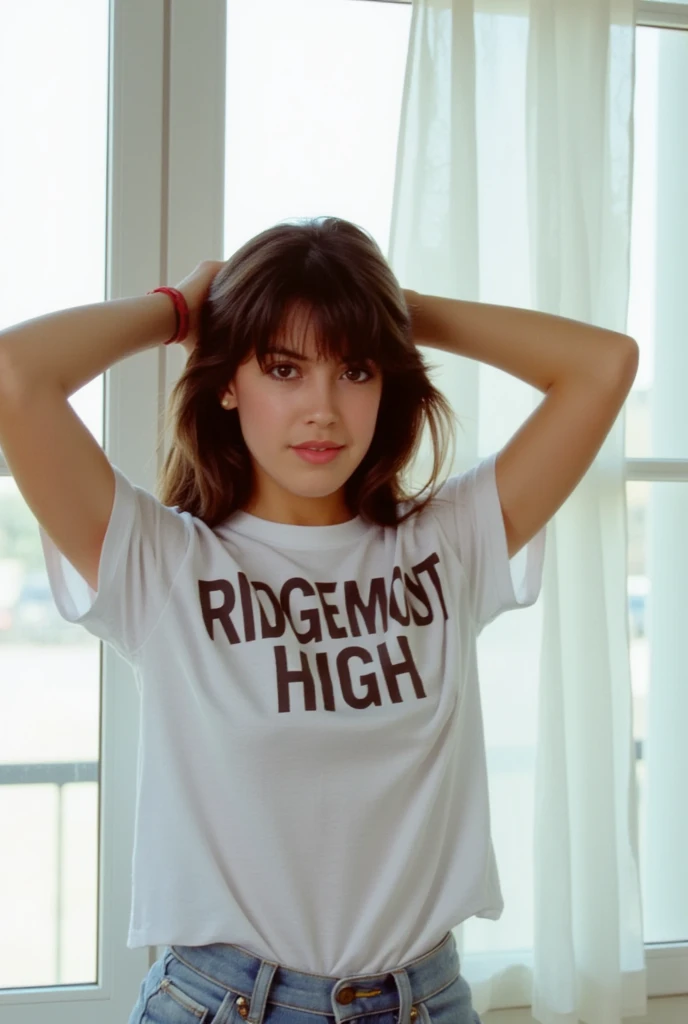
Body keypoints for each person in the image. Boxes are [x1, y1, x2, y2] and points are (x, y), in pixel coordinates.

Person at [0, 217, 638, 1024]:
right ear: (229, 380)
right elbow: (15, 373)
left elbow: (604, 364)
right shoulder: (162, 565)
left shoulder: (448, 544)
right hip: (223, 1004)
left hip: (424, 1004)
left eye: (356, 370)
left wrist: (387, 308)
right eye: (284, 368)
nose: (323, 410)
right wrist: (178, 308)